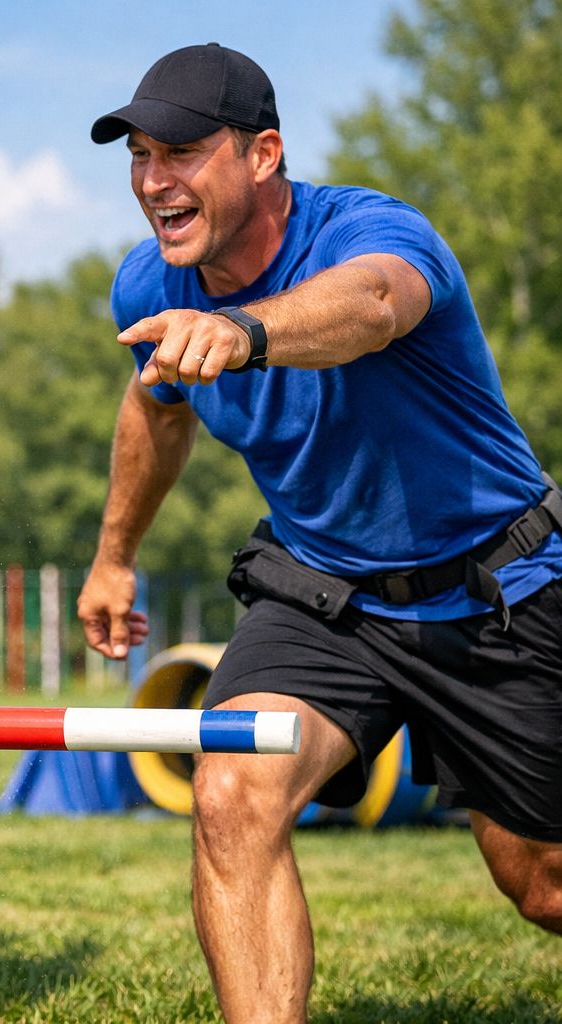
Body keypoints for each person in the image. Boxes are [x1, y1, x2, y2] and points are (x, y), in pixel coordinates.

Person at [79, 42, 562, 1024]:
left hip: (496, 592)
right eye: (138, 155)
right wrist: (113, 557)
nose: (153, 180)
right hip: (325, 597)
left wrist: (249, 332)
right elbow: (157, 410)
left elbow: (374, 305)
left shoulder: (374, 233)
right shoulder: (150, 286)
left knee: (542, 881)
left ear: (263, 156)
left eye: (180, 151)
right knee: (230, 796)